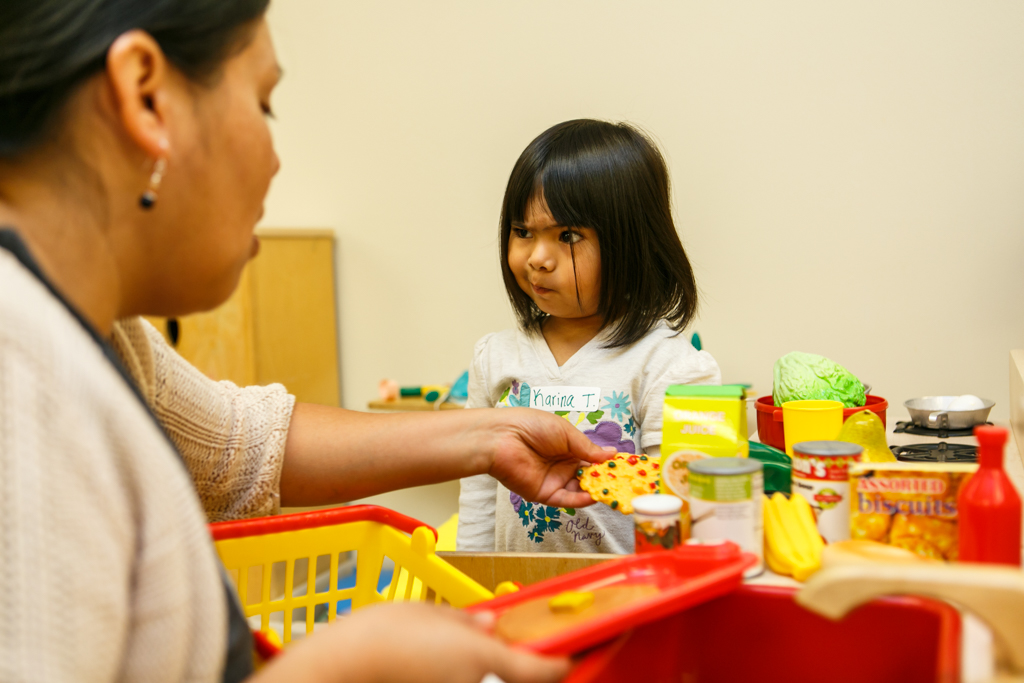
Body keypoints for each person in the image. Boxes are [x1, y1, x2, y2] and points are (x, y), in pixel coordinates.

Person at [0, 3, 613, 682]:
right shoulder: (21, 382)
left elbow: (240, 446)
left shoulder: (103, 338)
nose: (274, 158)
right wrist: (344, 666)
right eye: (263, 104)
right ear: (146, 95)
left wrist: (491, 437)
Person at [457, 120, 721, 554]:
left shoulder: (669, 367)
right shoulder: (495, 356)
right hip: (513, 596)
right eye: (523, 232)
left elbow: (679, 503)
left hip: (627, 602)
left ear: (630, 244)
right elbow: (479, 489)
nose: (537, 258)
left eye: (567, 236)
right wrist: (469, 575)